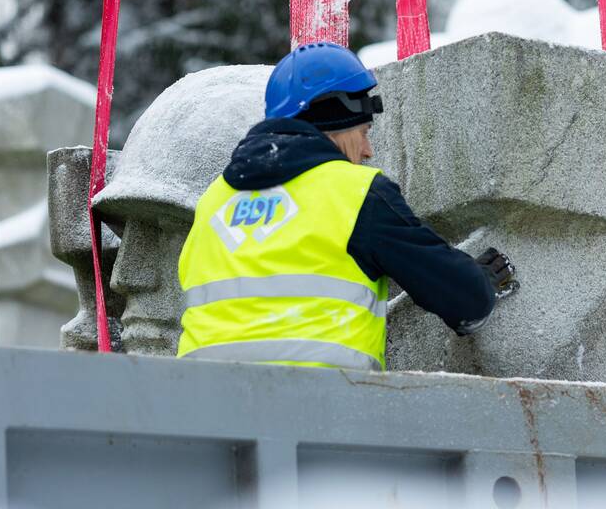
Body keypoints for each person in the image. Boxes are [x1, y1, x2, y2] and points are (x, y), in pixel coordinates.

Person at [175, 42, 513, 370]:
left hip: (202, 408)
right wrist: (480, 281)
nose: (367, 150)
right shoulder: (356, 193)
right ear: (335, 123)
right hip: (316, 407)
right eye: (364, 131)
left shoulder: (214, 199)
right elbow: (465, 302)